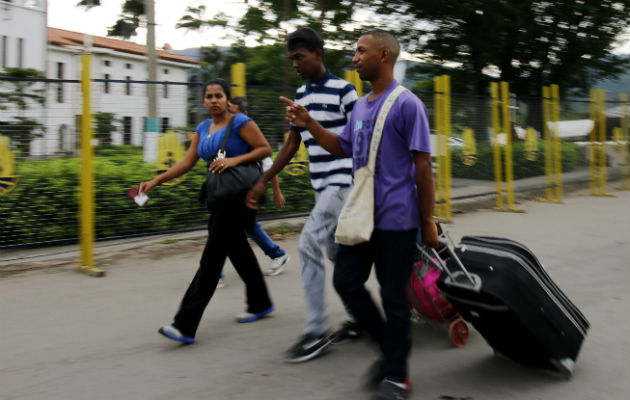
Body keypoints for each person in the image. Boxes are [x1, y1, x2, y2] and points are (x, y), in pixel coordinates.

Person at [280, 30, 439, 400]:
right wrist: (309, 124)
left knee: (394, 298)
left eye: (360, 52)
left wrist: (427, 220)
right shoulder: (363, 105)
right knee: (347, 281)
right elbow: (342, 148)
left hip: (397, 219)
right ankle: (390, 346)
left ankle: (397, 377)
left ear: (383, 55)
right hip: (361, 215)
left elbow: (423, 167)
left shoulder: (407, 104)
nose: (354, 58)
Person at [246, 27, 362, 363]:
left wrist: (311, 124)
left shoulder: (345, 91)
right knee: (338, 256)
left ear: (317, 54)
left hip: (343, 184)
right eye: (292, 58)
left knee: (309, 243)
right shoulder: (300, 96)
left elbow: (357, 144)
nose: (295, 63)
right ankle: (359, 317)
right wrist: (265, 179)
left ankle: (316, 332)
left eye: (300, 57)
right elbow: (292, 143)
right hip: (321, 187)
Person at [139, 78, 275, 345]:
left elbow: (265, 149)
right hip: (218, 197)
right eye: (209, 96)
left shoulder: (240, 123)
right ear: (204, 100)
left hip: (239, 197)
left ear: (227, 99)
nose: (214, 100)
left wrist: (234, 159)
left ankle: (185, 324)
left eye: (219, 95)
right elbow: (188, 162)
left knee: (211, 261)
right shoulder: (203, 128)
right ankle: (260, 302)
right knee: (237, 249)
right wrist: (156, 180)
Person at [228, 96, 290, 277]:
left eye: (232, 112)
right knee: (246, 227)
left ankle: (214, 273)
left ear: (244, 114)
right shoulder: (226, 134)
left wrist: (277, 192)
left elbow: (269, 167)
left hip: (248, 191)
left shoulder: (250, 136)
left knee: (224, 228)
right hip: (232, 190)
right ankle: (277, 254)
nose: (228, 116)